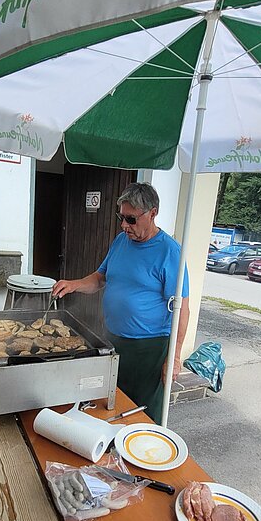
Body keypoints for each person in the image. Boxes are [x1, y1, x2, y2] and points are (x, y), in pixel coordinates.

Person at [53, 182, 190, 424]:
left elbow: (183, 309)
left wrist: (175, 356)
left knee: (142, 415)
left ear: (153, 213)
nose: (124, 225)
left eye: (131, 219)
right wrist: (73, 284)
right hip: (114, 341)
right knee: (112, 407)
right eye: (121, 217)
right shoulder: (120, 241)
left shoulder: (170, 252)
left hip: (148, 350)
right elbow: (100, 278)